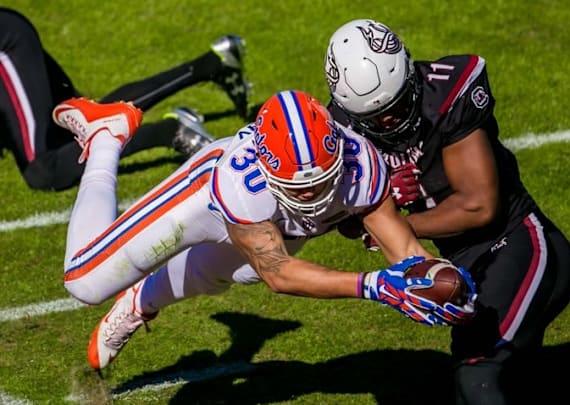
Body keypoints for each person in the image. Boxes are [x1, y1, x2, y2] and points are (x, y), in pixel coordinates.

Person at [51, 91, 477, 371]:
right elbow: (280, 273)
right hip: (203, 197)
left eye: (322, 180)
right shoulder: (243, 182)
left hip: (273, 219)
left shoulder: (360, 163)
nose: (312, 194)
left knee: (228, 273)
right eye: (301, 186)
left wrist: (432, 280)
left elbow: (402, 247)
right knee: (84, 281)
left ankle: (141, 301)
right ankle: (107, 135)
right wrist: (373, 286)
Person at [325, 19, 570, 405]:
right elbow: (346, 222)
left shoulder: (445, 94)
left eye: (394, 108)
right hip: (468, 266)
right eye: (374, 119)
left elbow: (479, 205)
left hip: (519, 245)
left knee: (478, 373)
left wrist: (396, 223)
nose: (388, 122)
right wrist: (374, 204)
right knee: (496, 385)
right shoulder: (340, 128)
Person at [0, 7, 250, 191]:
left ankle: (171, 131)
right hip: (10, 30)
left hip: (6, 42)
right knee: (75, 127)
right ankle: (213, 64)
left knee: (43, 170)